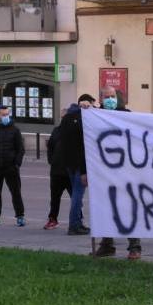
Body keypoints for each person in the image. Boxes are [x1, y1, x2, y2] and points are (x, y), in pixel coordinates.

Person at [94, 86, 143, 260]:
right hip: (103, 171)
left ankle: (134, 246)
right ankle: (107, 245)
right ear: (100, 99)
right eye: (106, 97)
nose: (110, 99)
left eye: (112, 96)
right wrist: (82, 106)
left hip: (124, 171)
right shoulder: (93, 115)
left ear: (117, 97)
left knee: (128, 208)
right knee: (105, 208)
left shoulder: (126, 114)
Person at [57, 94, 95, 235]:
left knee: (76, 194)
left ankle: (77, 222)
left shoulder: (67, 118)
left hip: (69, 163)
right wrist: (84, 170)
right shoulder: (82, 119)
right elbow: (82, 146)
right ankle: (74, 225)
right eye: (91, 104)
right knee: (78, 195)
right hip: (79, 164)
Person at [45, 108, 73, 229]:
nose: (63, 120)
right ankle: (53, 219)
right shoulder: (56, 131)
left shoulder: (75, 131)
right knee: (55, 198)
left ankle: (77, 220)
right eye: (62, 117)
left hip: (71, 171)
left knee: (75, 198)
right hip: (56, 171)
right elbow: (50, 147)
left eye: (65, 117)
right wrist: (51, 161)